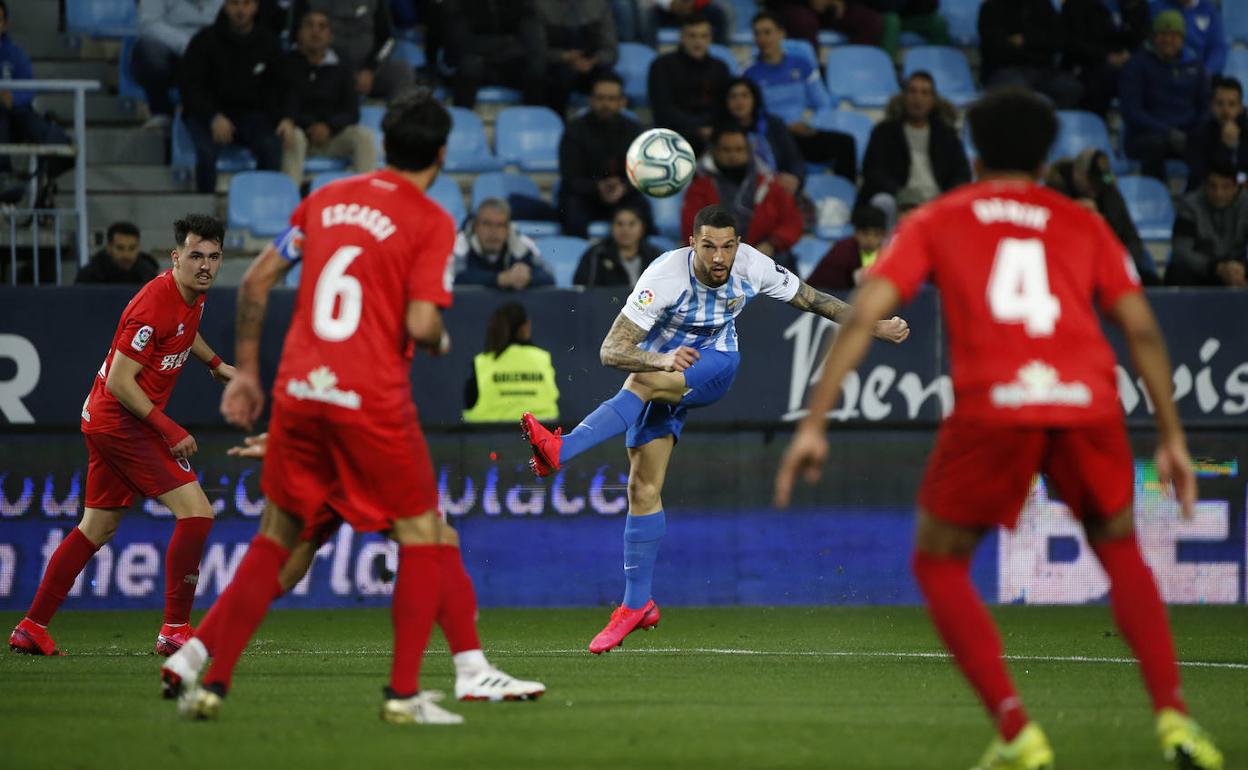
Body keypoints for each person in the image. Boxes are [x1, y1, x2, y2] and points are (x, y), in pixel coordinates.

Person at [774, 88, 1225, 770]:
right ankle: (1175, 720)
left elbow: (869, 307)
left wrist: (815, 423)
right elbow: (1140, 330)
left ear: (976, 156)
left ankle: (1017, 730)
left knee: (938, 560)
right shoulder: (1082, 223)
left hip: (997, 405)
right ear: (1045, 162)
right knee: (1121, 550)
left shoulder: (941, 217)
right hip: (1086, 403)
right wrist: (1173, 438)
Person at [160, 92, 474, 725]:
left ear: (383, 146)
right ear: (442, 154)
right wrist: (439, 337)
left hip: (302, 398)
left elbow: (253, 280)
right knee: (427, 536)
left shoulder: (327, 198)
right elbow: (420, 323)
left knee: (278, 547)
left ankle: (205, 674)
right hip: (369, 406)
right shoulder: (432, 220)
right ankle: (411, 692)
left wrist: (246, 372)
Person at [519, 203, 910, 655]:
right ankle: (637, 604)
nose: (719, 257)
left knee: (641, 381)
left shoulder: (753, 267)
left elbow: (812, 299)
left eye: (727, 246)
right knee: (642, 488)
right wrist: (660, 357)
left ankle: (562, 450)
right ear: (692, 244)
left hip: (717, 366)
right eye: (708, 246)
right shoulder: (663, 276)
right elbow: (611, 349)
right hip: (669, 372)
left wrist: (872, 325)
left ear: (738, 244)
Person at [9, 215, 234, 658]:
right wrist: (167, 427)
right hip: (121, 421)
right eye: (195, 256)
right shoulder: (153, 305)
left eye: (213, 257)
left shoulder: (192, 295)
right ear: (176, 257)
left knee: (98, 525)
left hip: (106, 420)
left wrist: (215, 364)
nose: (205, 266)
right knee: (197, 513)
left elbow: (185, 333)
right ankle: (174, 629)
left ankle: (31, 627)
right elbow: (121, 383)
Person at [223, 432, 547, 701]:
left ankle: (198, 651)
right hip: (356, 452)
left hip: (342, 451)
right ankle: (436, 681)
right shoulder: (363, 364)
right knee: (431, 536)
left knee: (294, 552)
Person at [179, 0, 285, 194]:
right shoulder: (204, 40)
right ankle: (204, 216)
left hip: (251, 116)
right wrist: (213, 116)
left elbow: (279, 87)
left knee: (271, 146)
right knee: (206, 154)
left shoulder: (269, 42)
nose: (240, 10)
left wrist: (282, 116)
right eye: (234, 4)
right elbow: (190, 88)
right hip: (209, 115)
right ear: (225, 6)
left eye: (246, 4)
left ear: (255, 7)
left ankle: (261, 205)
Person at [745, 10, 857, 180]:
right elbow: (751, 113)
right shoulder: (748, 73)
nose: (762, 38)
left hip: (801, 132)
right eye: (757, 34)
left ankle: (847, 197)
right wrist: (783, 127)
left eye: (767, 32)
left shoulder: (802, 66)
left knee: (846, 143)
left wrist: (810, 125)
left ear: (781, 33)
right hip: (771, 136)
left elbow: (823, 103)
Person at [682, 124, 805, 269]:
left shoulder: (769, 184)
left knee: (784, 262)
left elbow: (792, 222)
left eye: (739, 150)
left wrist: (771, 244)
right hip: (717, 262)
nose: (733, 155)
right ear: (714, 151)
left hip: (766, 258)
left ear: (748, 151)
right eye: (726, 150)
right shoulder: (699, 188)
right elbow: (691, 229)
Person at [280, 10, 379, 186]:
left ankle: (366, 200)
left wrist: (329, 127)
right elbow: (282, 105)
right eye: (310, 25)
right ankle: (290, 204)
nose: (315, 31)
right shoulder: (286, 65)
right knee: (293, 135)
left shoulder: (341, 68)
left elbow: (352, 112)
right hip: (300, 134)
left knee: (364, 137)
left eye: (322, 27)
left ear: (330, 37)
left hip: (332, 137)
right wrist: (309, 125)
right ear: (299, 33)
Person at [861, 71, 971, 228]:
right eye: (912, 91)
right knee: (882, 202)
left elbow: (962, 174)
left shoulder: (947, 135)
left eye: (924, 93)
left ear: (933, 100)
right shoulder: (884, 132)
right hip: (898, 199)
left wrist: (944, 197)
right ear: (904, 97)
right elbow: (873, 171)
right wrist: (901, 194)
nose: (917, 98)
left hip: (937, 201)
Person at [1046, 148, 1162, 286]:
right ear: (1077, 173)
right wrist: (1075, 212)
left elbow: (1131, 238)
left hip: (1107, 263)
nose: (1095, 186)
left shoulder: (1107, 189)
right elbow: (1049, 233)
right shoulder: (1054, 190)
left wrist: (1119, 263)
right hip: (1069, 264)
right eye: (1091, 180)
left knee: (1151, 282)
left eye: (1098, 181)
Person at [1119, 10, 1210, 182]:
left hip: (1186, 134)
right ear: (1154, 36)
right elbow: (1132, 111)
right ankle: (1155, 196)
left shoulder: (1194, 66)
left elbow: (1205, 106)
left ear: (1182, 39)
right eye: (1163, 34)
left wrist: (1195, 133)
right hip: (1147, 134)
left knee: (1207, 145)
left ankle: (1192, 201)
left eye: (1174, 35)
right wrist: (1167, 132)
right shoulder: (1137, 65)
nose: (1168, 40)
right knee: (1155, 145)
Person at [557, 72, 650, 238]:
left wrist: (624, 188)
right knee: (571, 209)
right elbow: (570, 177)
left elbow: (642, 172)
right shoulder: (574, 130)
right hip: (586, 197)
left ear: (622, 102)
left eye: (612, 99)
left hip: (623, 196)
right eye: (600, 98)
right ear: (591, 100)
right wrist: (597, 188)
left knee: (642, 210)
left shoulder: (634, 130)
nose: (606, 104)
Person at [0, 0, 73, 206]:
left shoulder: (14, 53)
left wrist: (13, 97)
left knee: (40, 128)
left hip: (15, 114)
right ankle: (3, 175)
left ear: (4, 24)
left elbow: (29, 87)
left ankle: (53, 160)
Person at [292, 0, 415, 101]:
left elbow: (387, 40)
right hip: (325, 72)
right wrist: (338, 72)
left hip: (366, 72)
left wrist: (370, 69)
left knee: (401, 71)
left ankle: (399, 124)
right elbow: (297, 38)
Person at [648, 13, 732, 156]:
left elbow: (724, 105)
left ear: (711, 38)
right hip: (675, 135)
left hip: (713, 133)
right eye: (692, 36)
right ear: (681, 37)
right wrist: (697, 128)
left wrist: (710, 128)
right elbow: (663, 109)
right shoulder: (662, 66)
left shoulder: (720, 68)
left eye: (703, 36)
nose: (698, 42)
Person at [132, 0, 225, 129]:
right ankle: (162, 111)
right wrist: (187, 44)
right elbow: (149, 24)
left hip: (214, 48)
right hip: (172, 48)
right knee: (149, 50)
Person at [463, 302, 559, 423]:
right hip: (538, 439)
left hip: (487, 438)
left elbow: (469, 402)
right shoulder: (542, 358)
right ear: (525, 327)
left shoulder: (482, 362)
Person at [440, 0, 547, 109]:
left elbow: (531, 41)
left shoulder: (522, 4)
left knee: (537, 64)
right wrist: (506, 41)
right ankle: (463, 120)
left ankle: (533, 120)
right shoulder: (459, 4)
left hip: (508, 64)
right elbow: (461, 43)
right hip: (471, 67)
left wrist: (498, 50)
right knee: (470, 64)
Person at [978, 0, 1083, 109]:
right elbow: (996, 48)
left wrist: (1025, 41)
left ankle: (1051, 123)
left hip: (1043, 69)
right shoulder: (991, 7)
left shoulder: (1044, 5)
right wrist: (1038, 47)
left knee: (1072, 88)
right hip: (1004, 69)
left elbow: (1058, 40)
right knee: (1020, 93)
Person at [717, 76, 806, 196]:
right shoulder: (721, 132)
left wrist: (795, 178)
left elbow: (794, 160)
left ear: (754, 99)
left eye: (745, 96)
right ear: (725, 102)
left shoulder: (774, 124)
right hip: (738, 193)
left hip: (780, 188)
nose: (739, 102)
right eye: (733, 97)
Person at [1060, 0, 1150, 117]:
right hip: (1088, 65)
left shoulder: (1133, 4)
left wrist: (1128, 55)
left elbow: (1140, 38)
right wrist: (1106, 56)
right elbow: (1073, 44)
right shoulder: (1076, 5)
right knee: (1101, 79)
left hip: (1126, 62)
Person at [1167, 162, 1248, 287]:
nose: (1218, 193)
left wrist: (1241, 268)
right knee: (1178, 272)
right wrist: (1216, 268)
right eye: (1213, 186)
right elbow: (1181, 251)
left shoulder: (1246, 205)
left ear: (1236, 187)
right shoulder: (1189, 206)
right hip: (1202, 269)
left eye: (1226, 187)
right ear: (1204, 185)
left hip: (1237, 268)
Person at [536, 0, 619, 117]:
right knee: (552, 80)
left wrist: (593, 60)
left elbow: (611, 51)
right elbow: (537, 51)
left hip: (593, 65)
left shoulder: (599, 5)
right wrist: (564, 57)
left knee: (609, 82)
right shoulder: (540, 6)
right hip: (557, 66)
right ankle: (559, 125)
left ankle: (609, 128)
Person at [453, 198, 556, 290]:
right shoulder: (459, 243)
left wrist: (527, 277)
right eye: (487, 224)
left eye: (500, 225)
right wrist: (500, 279)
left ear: (508, 229)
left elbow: (549, 276)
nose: (494, 232)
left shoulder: (520, 242)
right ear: (475, 226)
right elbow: (454, 278)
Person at [573, 205, 661, 287]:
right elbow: (582, 293)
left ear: (642, 228)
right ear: (611, 228)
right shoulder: (596, 256)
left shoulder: (656, 256)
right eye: (619, 224)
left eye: (632, 224)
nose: (625, 230)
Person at [1187, 76, 1248, 191]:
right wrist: (1226, 147)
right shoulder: (1199, 134)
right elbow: (1203, 176)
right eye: (1220, 104)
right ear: (1211, 106)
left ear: (1240, 108)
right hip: (1208, 196)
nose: (1225, 110)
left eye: (1231, 104)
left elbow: (1244, 172)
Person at [805, 204, 886, 290]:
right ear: (856, 232)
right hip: (821, 292)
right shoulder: (844, 252)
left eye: (877, 234)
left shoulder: (883, 252)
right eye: (865, 233)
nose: (871, 240)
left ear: (884, 235)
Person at [1149, 0, 1227, 75]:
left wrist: (1206, 73)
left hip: (1197, 75)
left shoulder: (1209, 10)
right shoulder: (1155, 8)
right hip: (1161, 72)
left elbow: (1218, 48)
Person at [75, 221, 161, 285]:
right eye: (120, 248)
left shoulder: (149, 275)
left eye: (132, 248)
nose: (126, 254)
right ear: (109, 247)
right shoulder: (90, 276)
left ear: (138, 247)